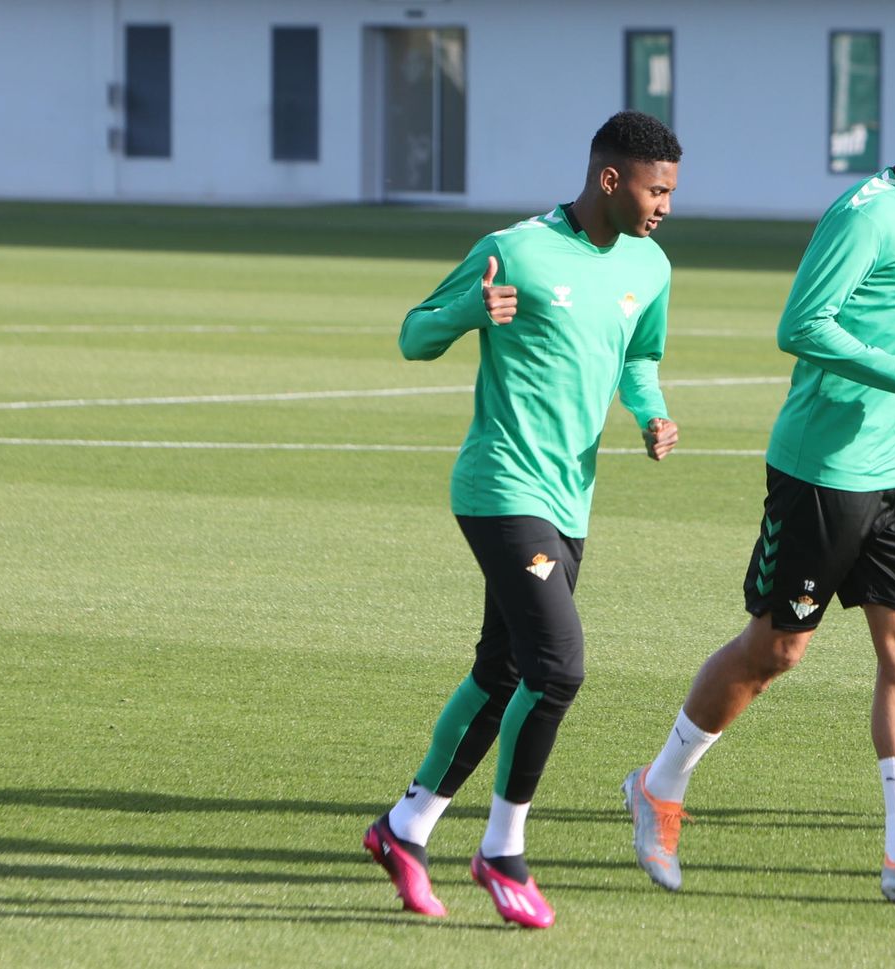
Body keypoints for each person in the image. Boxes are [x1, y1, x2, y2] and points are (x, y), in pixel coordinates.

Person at [621, 73, 895, 903]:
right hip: (823, 474)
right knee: (776, 650)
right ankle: (657, 784)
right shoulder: (866, 214)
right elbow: (800, 325)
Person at [361, 111, 684, 929]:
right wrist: (473, 307)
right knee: (559, 665)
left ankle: (405, 828)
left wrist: (650, 413)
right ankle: (502, 850)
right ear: (611, 180)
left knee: (500, 670)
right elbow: (412, 336)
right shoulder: (517, 249)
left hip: (569, 498)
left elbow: (639, 357)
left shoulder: (650, 266)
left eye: (671, 191)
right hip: (501, 489)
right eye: (657, 189)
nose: (665, 207)